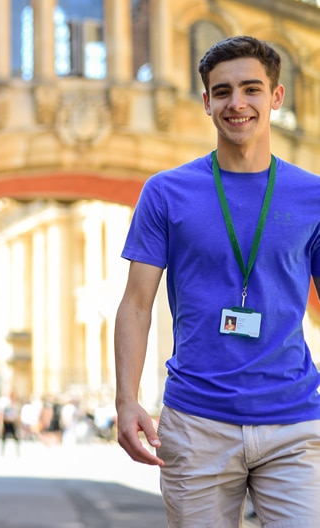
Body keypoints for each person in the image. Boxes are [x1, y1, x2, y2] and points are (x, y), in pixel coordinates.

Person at [114, 36, 320, 527]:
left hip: (294, 419)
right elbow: (136, 304)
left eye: (251, 89)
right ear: (207, 102)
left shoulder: (313, 195)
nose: (237, 103)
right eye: (223, 91)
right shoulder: (166, 192)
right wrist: (126, 400)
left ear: (276, 97)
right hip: (196, 420)